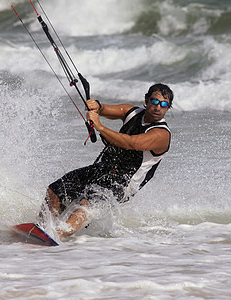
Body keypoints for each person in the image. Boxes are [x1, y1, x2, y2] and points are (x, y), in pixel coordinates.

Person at [40, 83, 173, 238]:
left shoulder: (161, 134)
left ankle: (57, 235)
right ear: (146, 99)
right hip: (104, 168)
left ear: (168, 108)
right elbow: (106, 109)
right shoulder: (132, 112)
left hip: (124, 183)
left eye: (164, 104)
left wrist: (100, 127)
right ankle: (41, 229)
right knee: (55, 190)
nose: (158, 107)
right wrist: (96, 106)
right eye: (154, 101)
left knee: (86, 204)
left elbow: (131, 143)